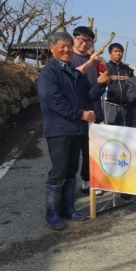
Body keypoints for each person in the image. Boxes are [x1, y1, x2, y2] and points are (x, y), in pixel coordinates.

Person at [37, 32, 109, 230]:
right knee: (58, 171)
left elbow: (88, 95)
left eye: (69, 45)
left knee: (71, 170)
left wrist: (100, 85)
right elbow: (53, 100)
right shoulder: (49, 72)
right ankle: (52, 213)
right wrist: (79, 114)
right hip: (59, 130)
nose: (67, 49)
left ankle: (67, 208)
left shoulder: (74, 72)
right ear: (52, 48)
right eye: (62, 46)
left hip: (77, 130)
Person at [70, 26, 105, 195]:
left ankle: (88, 180)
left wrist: (103, 67)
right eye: (81, 39)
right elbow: (72, 79)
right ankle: (68, 186)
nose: (84, 43)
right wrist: (91, 62)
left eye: (88, 40)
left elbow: (105, 81)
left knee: (91, 149)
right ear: (74, 39)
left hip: (94, 109)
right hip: (75, 113)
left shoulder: (96, 61)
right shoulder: (69, 59)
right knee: (72, 151)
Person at [104, 43, 134, 126]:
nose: (118, 53)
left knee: (124, 130)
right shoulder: (105, 68)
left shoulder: (128, 70)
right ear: (110, 54)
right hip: (109, 105)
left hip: (125, 106)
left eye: (120, 51)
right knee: (109, 130)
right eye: (115, 51)